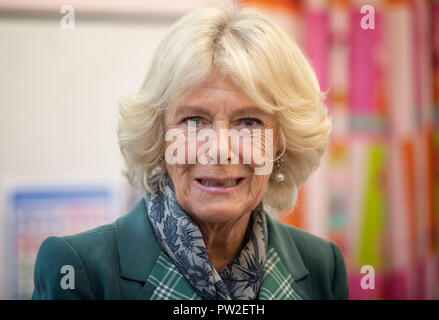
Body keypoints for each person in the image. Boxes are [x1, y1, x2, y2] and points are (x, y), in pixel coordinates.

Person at [32, 2, 349, 300]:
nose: (220, 150)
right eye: (194, 120)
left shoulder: (324, 266)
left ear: (282, 142)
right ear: (160, 136)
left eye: (249, 121)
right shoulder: (79, 269)